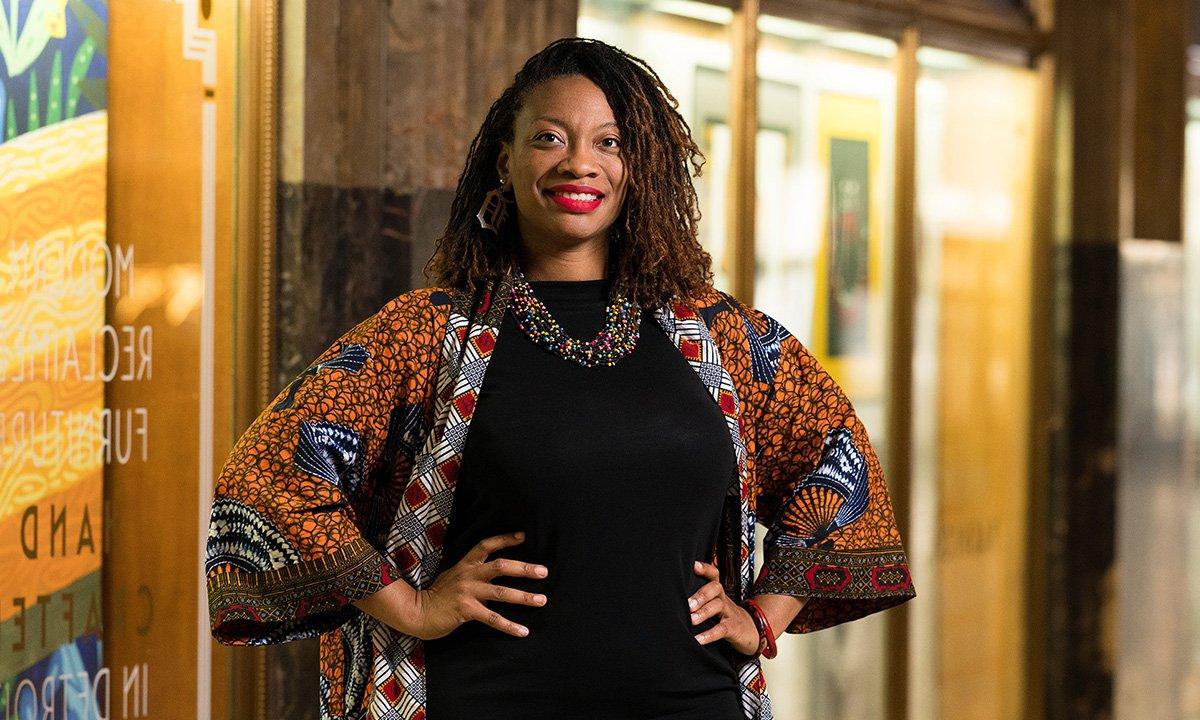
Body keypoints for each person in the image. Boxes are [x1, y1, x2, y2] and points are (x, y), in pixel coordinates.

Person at [205, 37, 915, 720]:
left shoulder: (721, 338)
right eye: (550, 138)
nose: (581, 163)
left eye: (609, 143)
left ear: (640, 168)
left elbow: (839, 460)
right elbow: (270, 479)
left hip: (689, 701)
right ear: (504, 160)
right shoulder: (427, 336)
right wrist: (411, 607)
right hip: (487, 699)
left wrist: (764, 615)